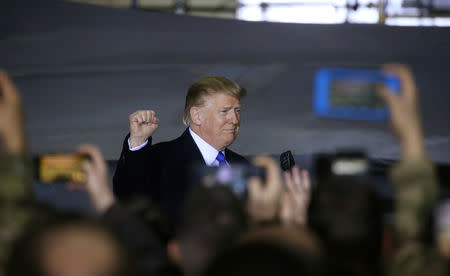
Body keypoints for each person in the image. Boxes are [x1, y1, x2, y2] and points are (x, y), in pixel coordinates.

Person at [113, 76, 249, 218]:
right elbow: (128, 200)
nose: (234, 120)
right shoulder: (160, 159)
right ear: (197, 116)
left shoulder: (242, 165)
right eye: (225, 111)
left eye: (237, 111)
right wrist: (137, 143)